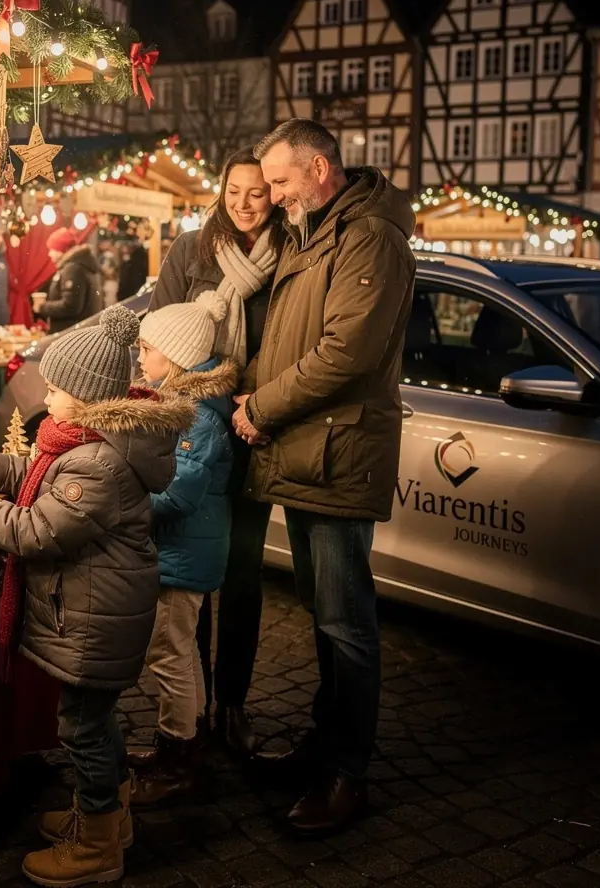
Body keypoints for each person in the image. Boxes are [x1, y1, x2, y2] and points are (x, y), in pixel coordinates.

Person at [0, 305, 193, 887]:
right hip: (96, 611)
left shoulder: (97, 463)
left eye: (56, 387)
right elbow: (36, 477)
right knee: (97, 721)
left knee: (82, 729)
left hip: (94, 621)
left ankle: (98, 846)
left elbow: (33, 530)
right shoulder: (90, 443)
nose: (44, 394)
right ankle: (109, 817)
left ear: (89, 397)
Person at [233, 119, 415, 834]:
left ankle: (349, 775)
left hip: (338, 451)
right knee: (324, 613)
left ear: (317, 169)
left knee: (347, 622)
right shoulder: (317, 233)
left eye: (278, 182)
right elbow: (286, 340)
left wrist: (261, 408)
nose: (272, 197)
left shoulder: (368, 237)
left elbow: (346, 354)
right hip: (310, 452)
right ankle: (327, 740)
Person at [149, 145, 287, 756]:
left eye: (256, 193)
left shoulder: (291, 257)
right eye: (234, 192)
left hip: (254, 429)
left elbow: (289, 343)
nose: (244, 204)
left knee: (241, 573)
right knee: (189, 575)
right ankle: (194, 704)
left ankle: (232, 702)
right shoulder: (191, 250)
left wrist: (251, 396)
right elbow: (163, 332)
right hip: (197, 424)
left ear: (274, 194)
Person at [130, 291, 237, 807]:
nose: (140, 358)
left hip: (182, 556)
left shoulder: (197, 418)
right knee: (183, 650)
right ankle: (187, 741)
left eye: (147, 349)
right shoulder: (184, 408)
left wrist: (125, 505)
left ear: (172, 358)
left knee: (168, 653)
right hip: (182, 553)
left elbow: (176, 494)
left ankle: (178, 756)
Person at [35, 228, 102, 332]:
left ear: (61, 250)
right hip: (79, 332)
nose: (49, 254)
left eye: (52, 249)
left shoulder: (72, 269)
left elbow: (71, 306)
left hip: (70, 334)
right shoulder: (82, 266)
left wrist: (42, 307)